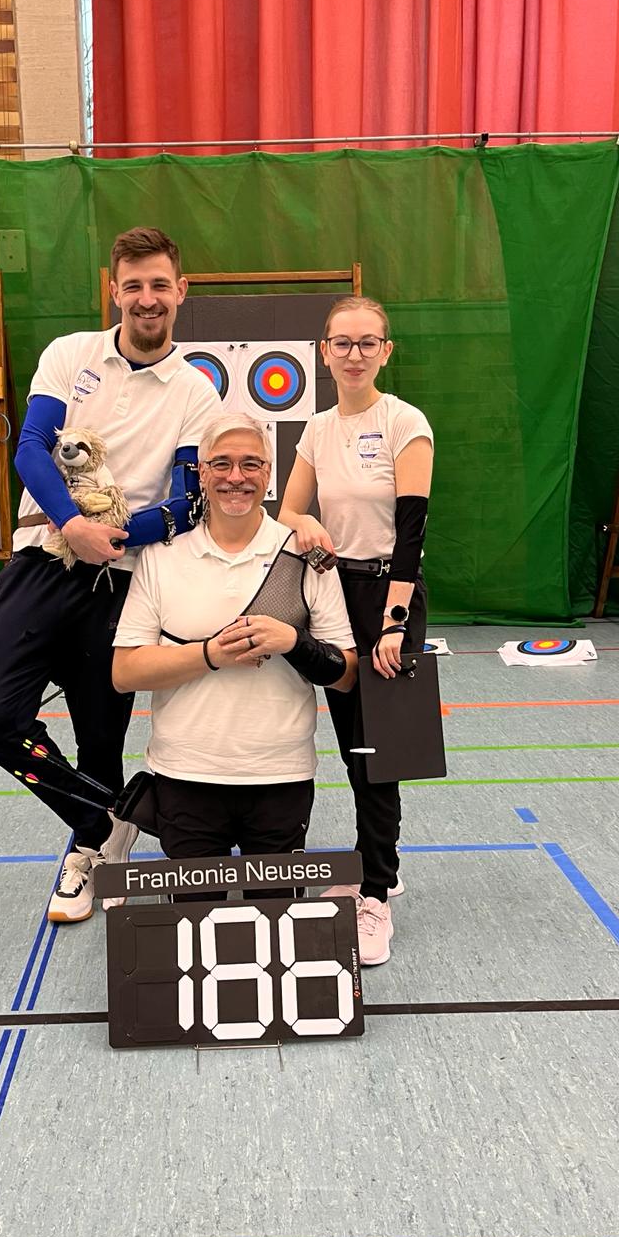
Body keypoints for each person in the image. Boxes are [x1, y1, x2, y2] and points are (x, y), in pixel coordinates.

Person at [0, 227, 221, 923]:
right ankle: (103, 821)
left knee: (100, 738)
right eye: (133, 285)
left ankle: (88, 857)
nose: (147, 298)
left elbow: (187, 503)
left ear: (181, 291)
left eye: (159, 284)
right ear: (114, 291)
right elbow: (31, 447)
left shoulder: (197, 391)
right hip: (42, 559)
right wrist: (71, 526)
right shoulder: (70, 353)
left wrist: (111, 537)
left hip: (122, 579)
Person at [111, 414, 357, 878]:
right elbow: (125, 673)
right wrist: (210, 655)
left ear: (268, 473)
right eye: (221, 464)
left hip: (281, 775)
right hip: (185, 774)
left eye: (250, 464)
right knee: (195, 915)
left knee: (275, 911)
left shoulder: (304, 554)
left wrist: (294, 643)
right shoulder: (161, 557)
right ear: (202, 473)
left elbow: (345, 674)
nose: (236, 477)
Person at [278, 296, 433, 967]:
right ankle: (379, 863)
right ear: (325, 351)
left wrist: (393, 625)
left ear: (386, 352)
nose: (354, 354)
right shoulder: (316, 429)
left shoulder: (405, 422)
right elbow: (286, 510)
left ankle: (375, 895)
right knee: (351, 749)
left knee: (379, 758)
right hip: (333, 596)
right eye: (342, 342)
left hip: (388, 597)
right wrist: (306, 523)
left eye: (368, 342)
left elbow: (412, 531)